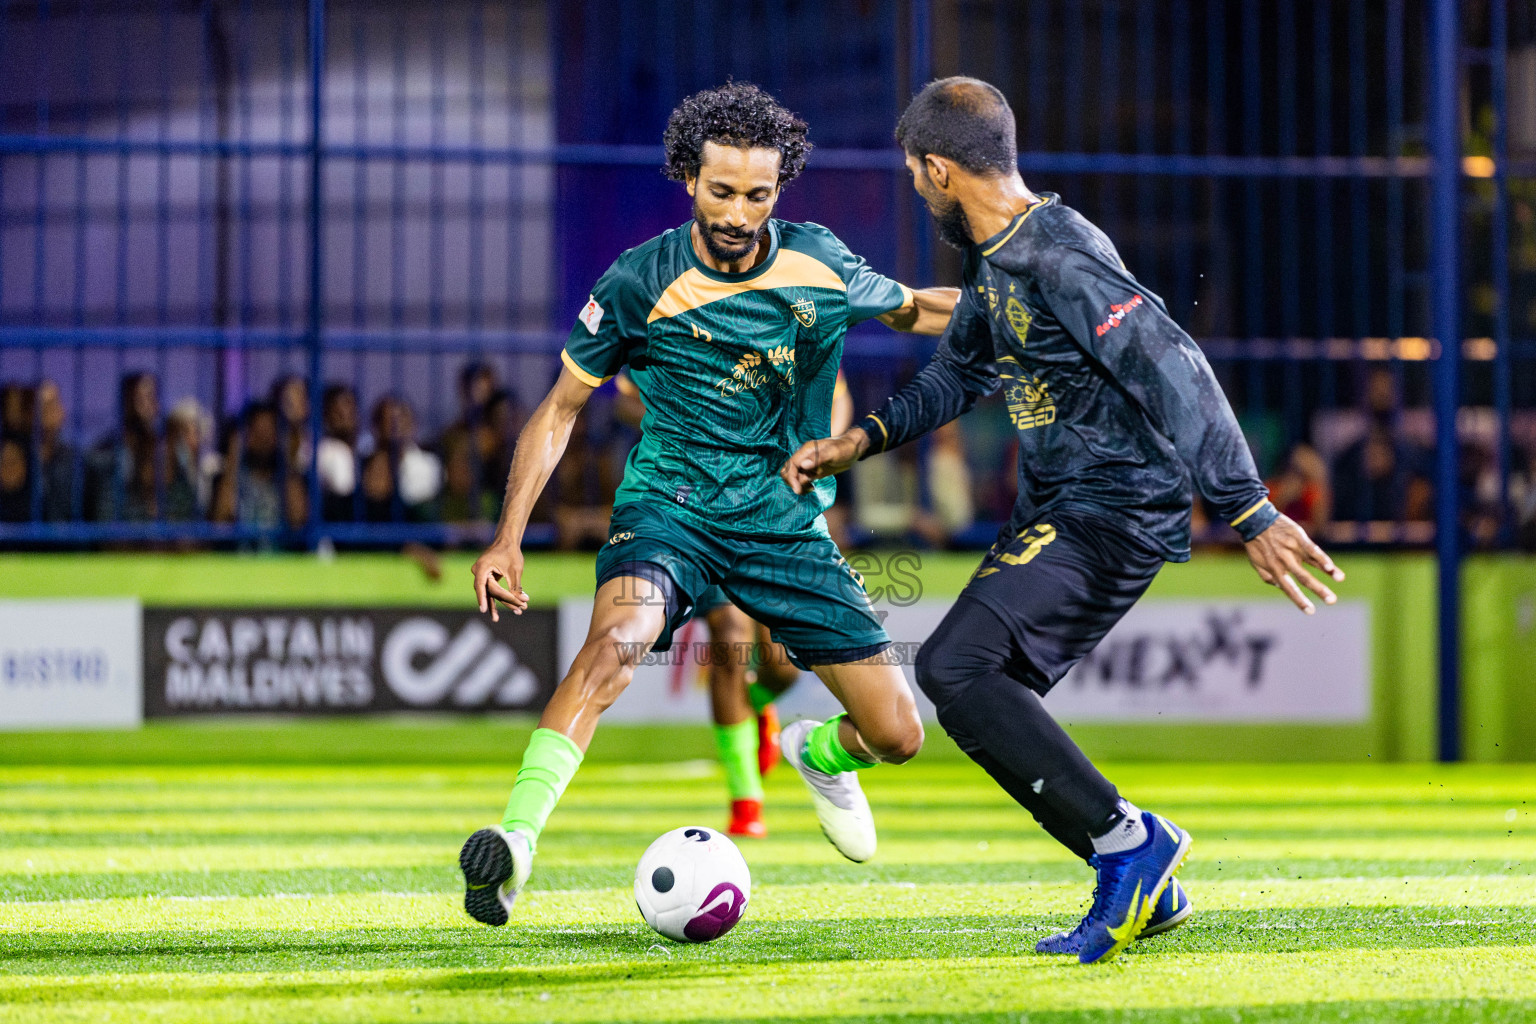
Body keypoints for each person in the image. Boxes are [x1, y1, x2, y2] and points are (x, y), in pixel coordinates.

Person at [782, 77, 1345, 965]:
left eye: (915, 177)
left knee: (957, 665)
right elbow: (957, 373)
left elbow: (1174, 361)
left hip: (1115, 505)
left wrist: (1248, 507)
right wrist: (861, 441)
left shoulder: (1057, 251)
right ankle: (1142, 880)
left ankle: (1130, 846)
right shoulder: (992, 254)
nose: (917, 192)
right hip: (1062, 508)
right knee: (974, 686)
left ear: (937, 168)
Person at [458, 82, 958, 927]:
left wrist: (1033, 309)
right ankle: (515, 847)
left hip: (782, 521)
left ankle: (817, 752)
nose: (737, 211)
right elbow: (560, 410)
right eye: (721, 191)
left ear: (779, 191)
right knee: (615, 647)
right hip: (670, 507)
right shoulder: (639, 281)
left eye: (757, 195)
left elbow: (918, 308)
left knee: (899, 735)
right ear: (688, 178)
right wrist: (507, 536)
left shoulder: (817, 262)